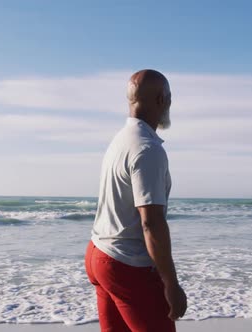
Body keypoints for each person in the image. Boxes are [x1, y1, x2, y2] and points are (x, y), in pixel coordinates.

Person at [85, 69, 187, 331]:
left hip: (99, 253)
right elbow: (151, 223)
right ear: (162, 100)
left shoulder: (120, 141)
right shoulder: (147, 149)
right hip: (126, 264)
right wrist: (171, 284)